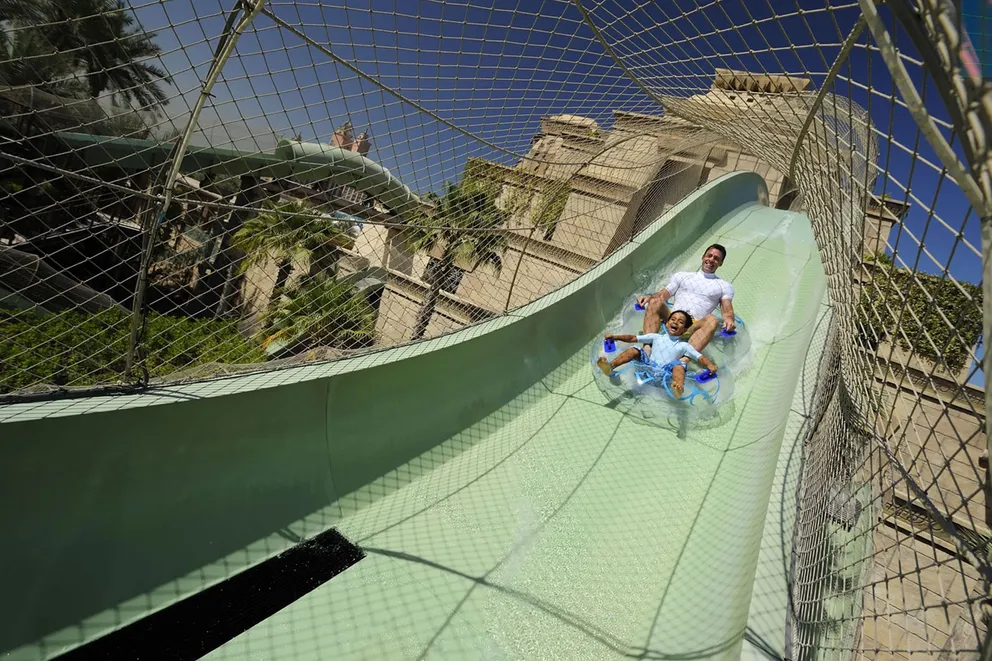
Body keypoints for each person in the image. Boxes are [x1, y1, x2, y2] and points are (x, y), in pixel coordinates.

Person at [636, 243, 736, 360]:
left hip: (693, 326)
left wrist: (729, 319)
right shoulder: (682, 276)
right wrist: (649, 298)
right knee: (655, 301)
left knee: (712, 319)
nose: (711, 260)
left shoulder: (724, 286)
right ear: (703, 257)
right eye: (709, 256)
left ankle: (682, 361)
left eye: (716, 258)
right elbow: (663, 294)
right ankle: (647, 348)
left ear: (721, 263)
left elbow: (727, 308)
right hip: (672, 318)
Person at [597, 310, 718, 397]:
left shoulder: (684, 346)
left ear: (685, 329)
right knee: (635, 349)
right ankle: (610, 366)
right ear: (667, 323)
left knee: (679, 365)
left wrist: (709, 365)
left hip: (664, 377)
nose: (675, 322)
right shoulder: (655, 337)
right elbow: (633, 338)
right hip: (647, 369)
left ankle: (678, 387)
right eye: (673, 319)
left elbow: (700, 357)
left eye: (681, 322)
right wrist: (615, 337)